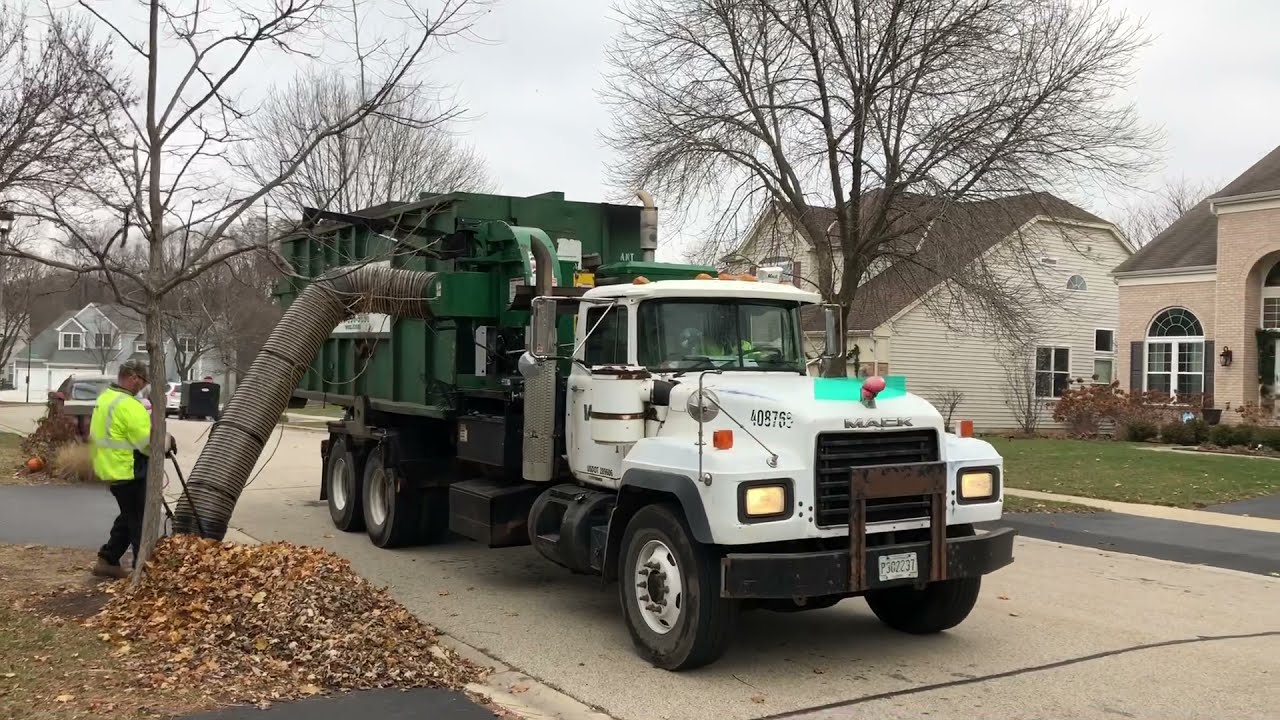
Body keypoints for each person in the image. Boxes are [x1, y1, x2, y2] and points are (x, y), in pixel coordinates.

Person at [89, 360, 173, 578]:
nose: (142, 386)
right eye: (142, 381)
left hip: (111, 467)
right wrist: (167, 440)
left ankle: (107, 560)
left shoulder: (105, 398)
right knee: (139, 520)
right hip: (129, 469)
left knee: (128, 516)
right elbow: (149, 443)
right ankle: (142, 571)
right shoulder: (128, 405)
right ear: (133, 377)